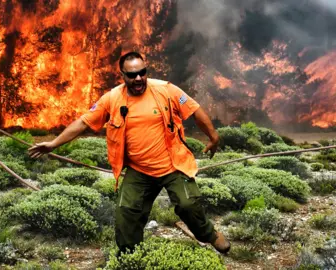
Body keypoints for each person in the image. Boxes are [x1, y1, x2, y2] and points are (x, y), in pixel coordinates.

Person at [28, 51, 231, 254]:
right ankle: (130, 257)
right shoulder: (112, 98)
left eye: (142, 73)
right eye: (132, 75)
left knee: (188, 205)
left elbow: (195, 110)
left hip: (173, 165)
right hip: (139, 170)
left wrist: (214, 137)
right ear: (123, 75)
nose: (138, 78)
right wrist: (54, 144)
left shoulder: (166, 90)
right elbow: (83, 122)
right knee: (126, 213)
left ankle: (210, 235)